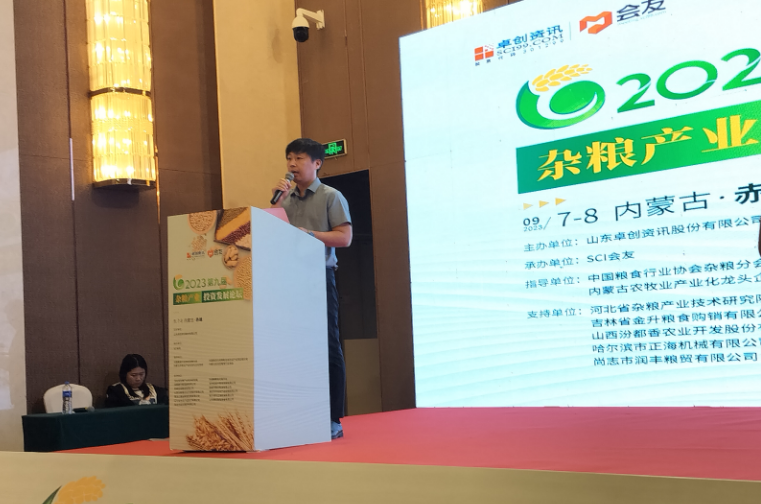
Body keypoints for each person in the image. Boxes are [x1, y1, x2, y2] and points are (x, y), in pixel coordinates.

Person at [271, 138, 352, 439]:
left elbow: (344, 238)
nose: (292, 164)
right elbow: (271, 235)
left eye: (299, 158)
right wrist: (275, 204)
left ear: (317, 163)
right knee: (292, 346)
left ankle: (333, 419)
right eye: (289, 158)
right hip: (287, 279)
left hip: (319, 276)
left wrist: (309, 234)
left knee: (328, 346)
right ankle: (299, 413)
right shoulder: (285, 200)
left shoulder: (331, 196)